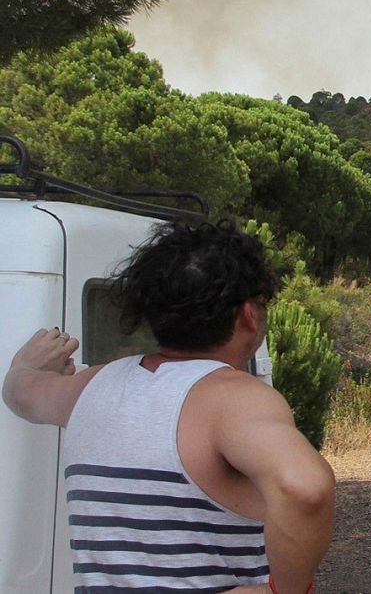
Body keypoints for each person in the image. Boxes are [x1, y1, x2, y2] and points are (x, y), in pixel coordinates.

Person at [2, 220, 335, 594]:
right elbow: (305, 489)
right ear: (247, 314)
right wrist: (285, 591)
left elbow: (22, 394)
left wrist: (26, 366)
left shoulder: (89, 387)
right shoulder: (236, 398)